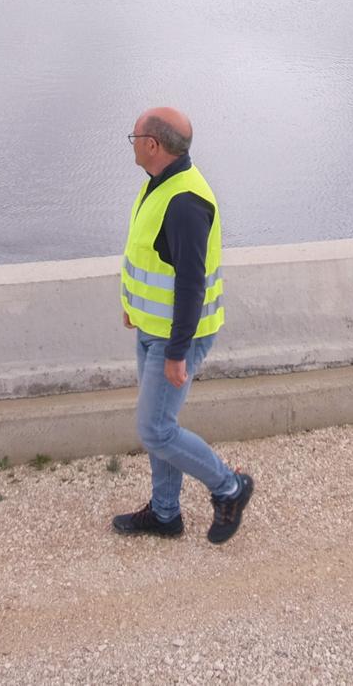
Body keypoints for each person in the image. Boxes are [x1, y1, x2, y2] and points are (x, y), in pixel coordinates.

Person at [110, 106, 255, 544]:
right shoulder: (159, 184)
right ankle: (166, 513)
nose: (132, 145)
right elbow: (152, 260)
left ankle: (230, 487)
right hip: (154, 329)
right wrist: (132, 305)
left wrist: (177, 352)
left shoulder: (184, 202)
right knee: (162, 424)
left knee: (155, 429)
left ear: (152, 145)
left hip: (178, 337)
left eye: (133, 138)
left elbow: (191, 285)